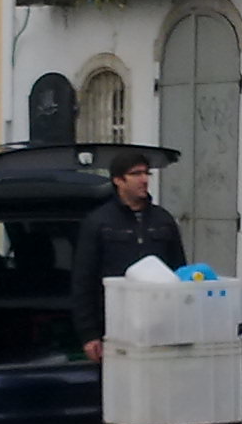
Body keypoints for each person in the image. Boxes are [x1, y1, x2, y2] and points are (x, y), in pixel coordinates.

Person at [71, 152, 186, 362]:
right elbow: (84, 281)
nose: (144, 179)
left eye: (146, 173)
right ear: (118, 180)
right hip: (115, 328)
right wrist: (89, 335)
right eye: (136, 174)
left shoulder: (163, 219)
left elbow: (180, 272)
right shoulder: (98, 222)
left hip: (159, 328)